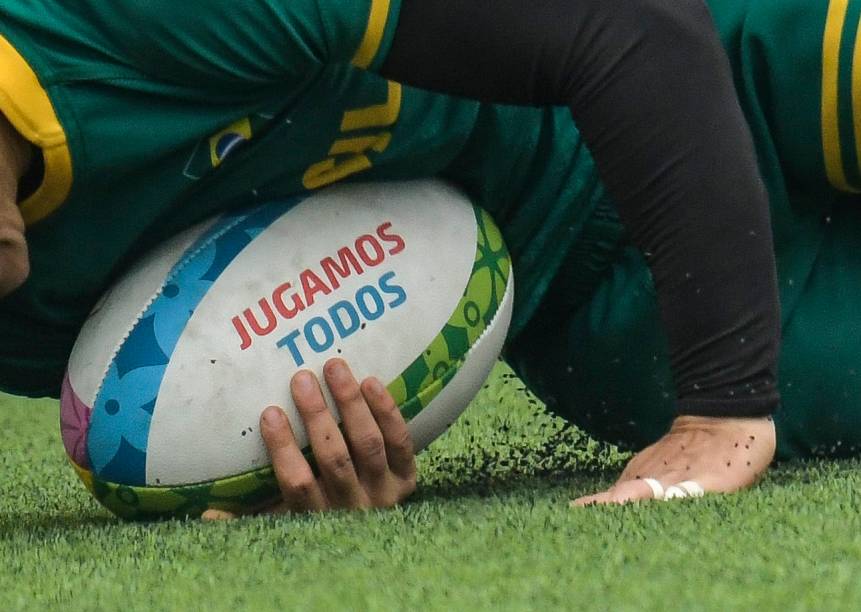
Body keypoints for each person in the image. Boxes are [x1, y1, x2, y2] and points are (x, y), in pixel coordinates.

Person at [0, 0, 785, 515]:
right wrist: (299, 468)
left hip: (732, 52)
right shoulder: (19, 322)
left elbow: (633, 26)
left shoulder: (124, 18)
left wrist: (722, 405)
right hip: (596, 324)